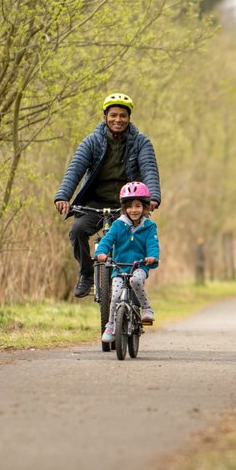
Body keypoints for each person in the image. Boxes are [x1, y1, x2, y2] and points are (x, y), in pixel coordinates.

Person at [54, 92, 161, 298]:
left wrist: (153, 196)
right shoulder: (92, 141)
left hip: (127, 205)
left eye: (123, 115)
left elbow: (149, 169)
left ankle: (131, 288)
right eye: (113, 115)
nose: (118, 120)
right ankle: (86, 273)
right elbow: (75, 169)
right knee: (77, 230)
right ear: (105, 117)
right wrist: (62, 196)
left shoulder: (140, 142)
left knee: (130, 239)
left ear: (129, 118)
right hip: (94, 203)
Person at [94, 182, 160, 338]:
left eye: (138, 206)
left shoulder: (149, 226)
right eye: (130, 206)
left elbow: (152, 244)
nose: (134, 210)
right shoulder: (118, 225)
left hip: (139, 266)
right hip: (119, 268)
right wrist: (101, 252)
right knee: (115, 297)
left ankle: (146, 309)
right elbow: (107, 240)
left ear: (144, 207)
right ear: (124, 208)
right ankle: (110, 325)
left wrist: (152, 257)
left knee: (136, 281)